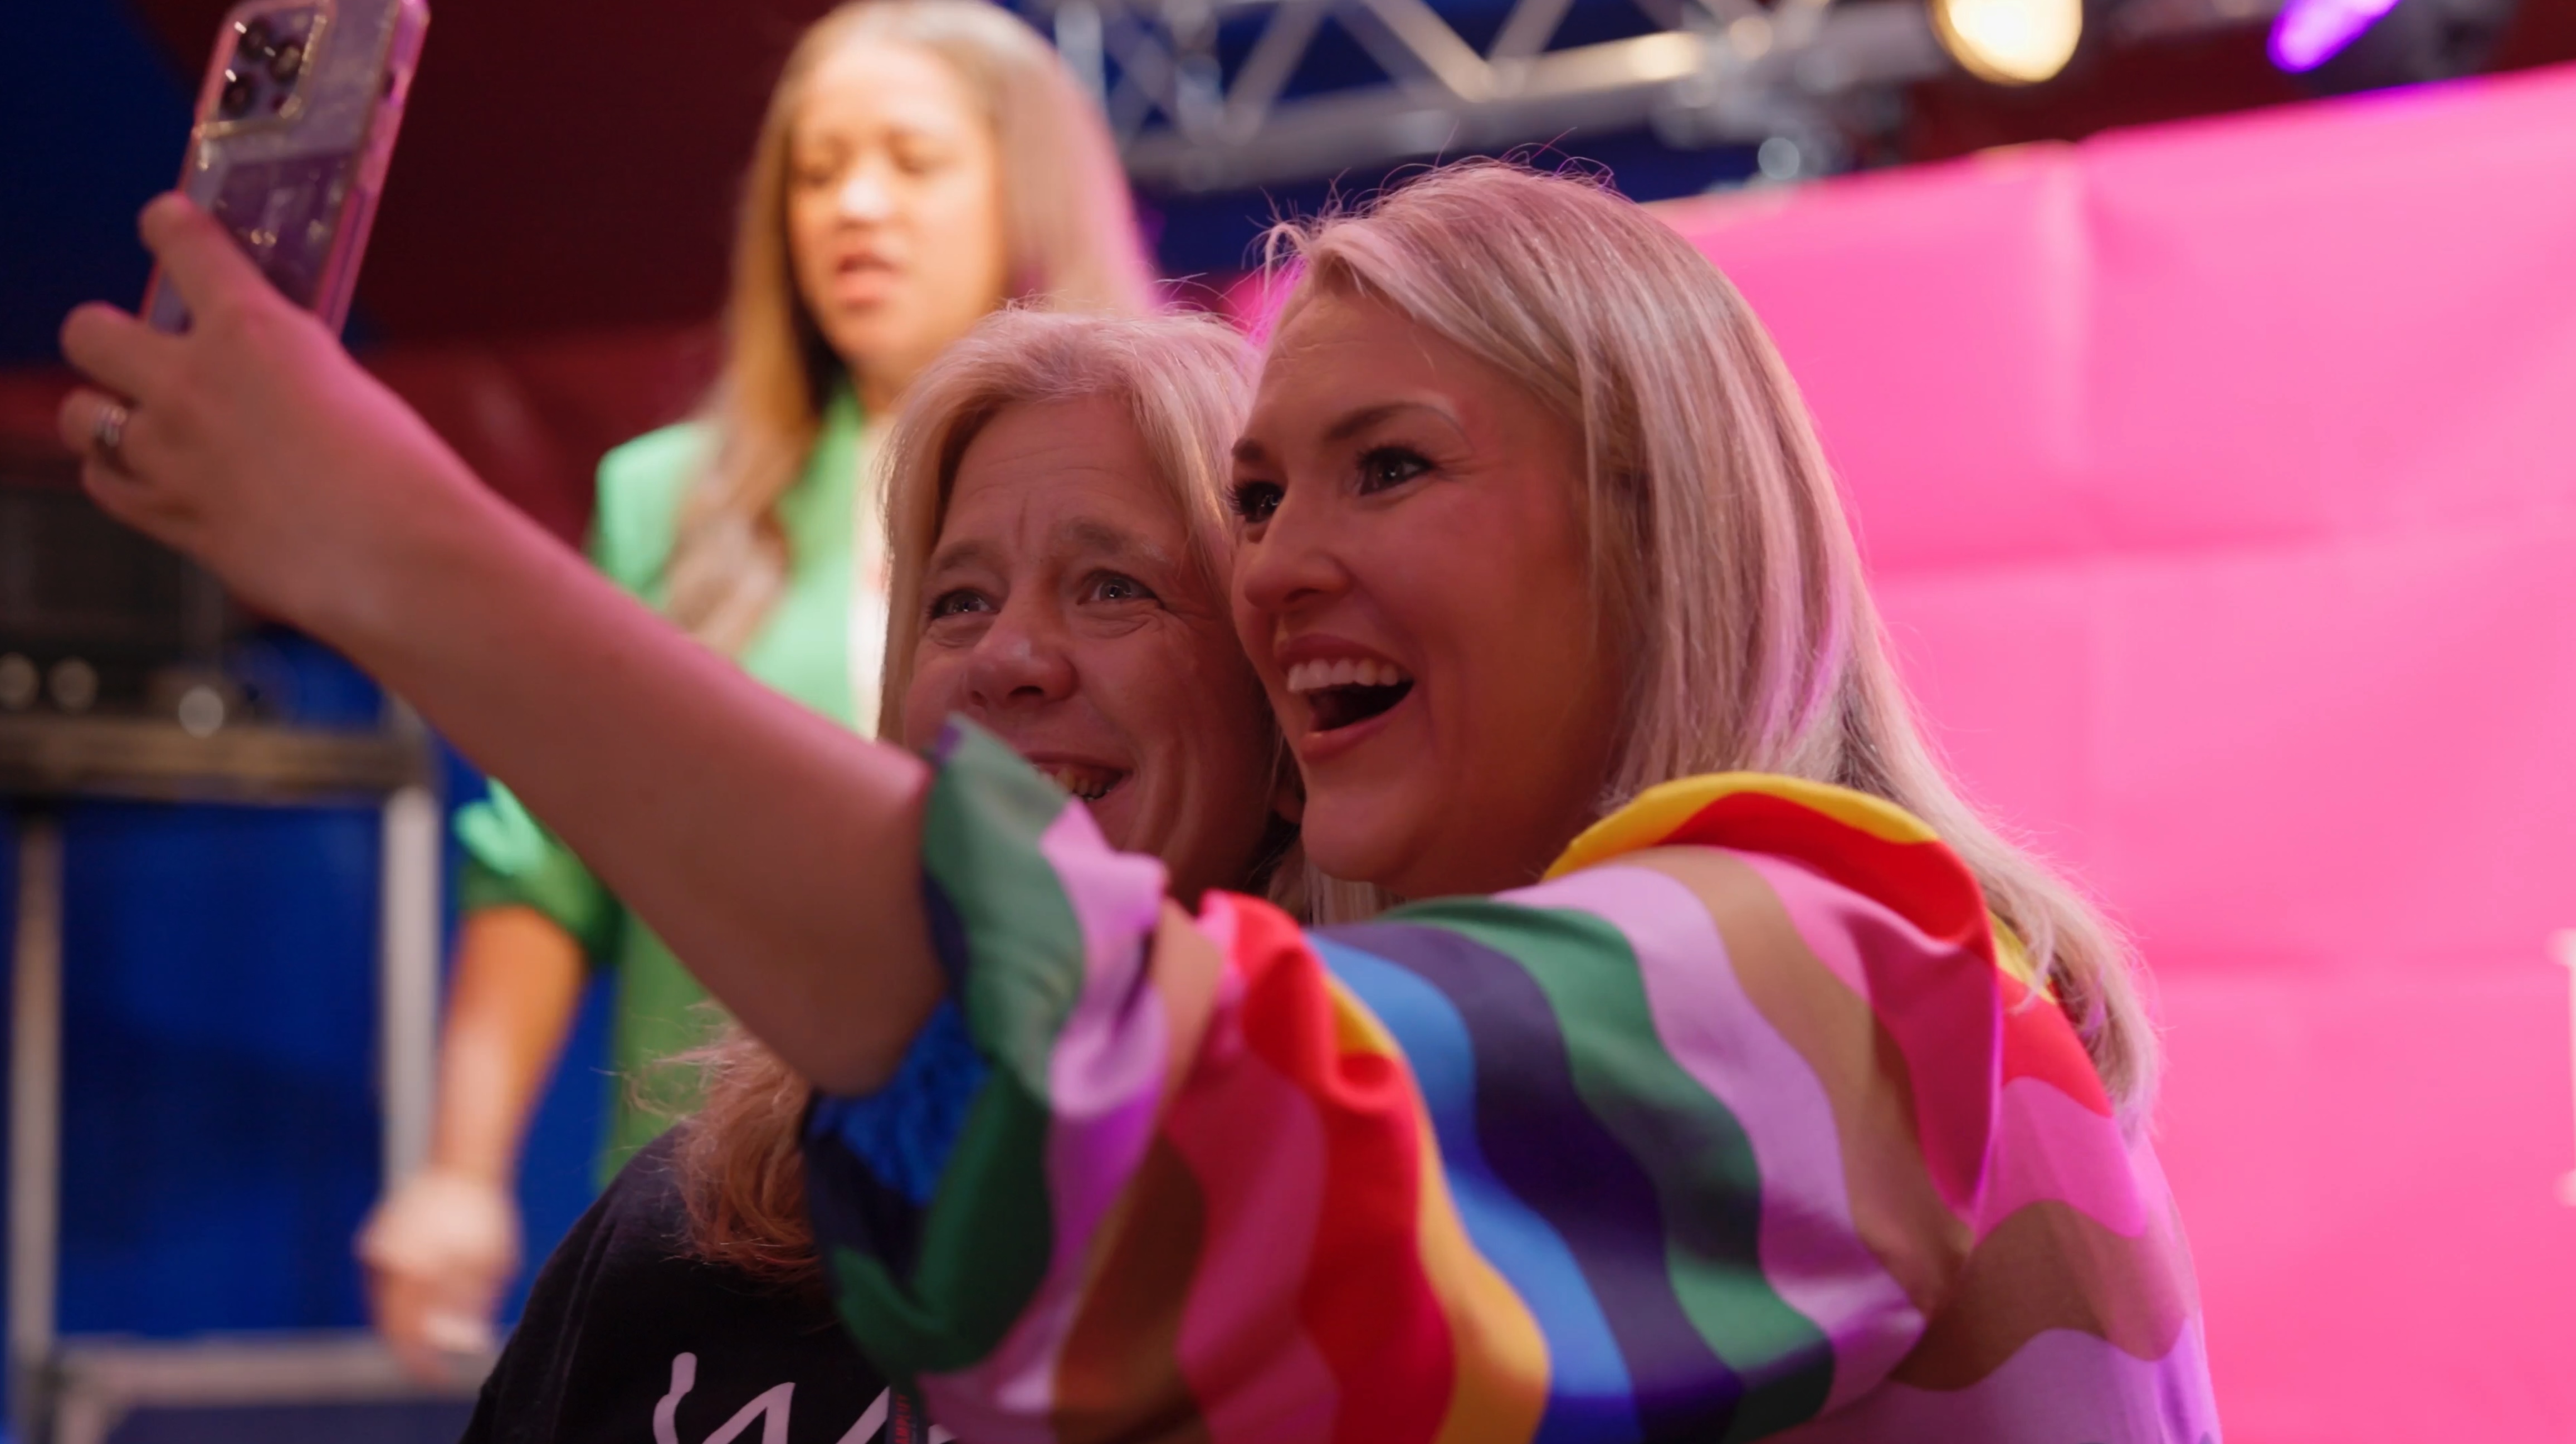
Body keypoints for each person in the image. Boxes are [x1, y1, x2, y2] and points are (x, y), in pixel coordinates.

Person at [57, 160, 2219, 1440]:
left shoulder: (1859, 978)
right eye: (1260, 494)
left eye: (1390, 467)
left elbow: (1097, 1107)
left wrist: (394, 555)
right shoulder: (692, 1242)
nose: (1283, 563)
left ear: (1657, 526)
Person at [354, 0, 1156, 1380]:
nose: (853, 205)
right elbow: (546, 860)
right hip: (732, 1225)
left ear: (1023, 189)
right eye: (814, 166)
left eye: (909, 160)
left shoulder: (1176, 480)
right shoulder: (664, 501)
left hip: (1071, 1203)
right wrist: (457, 1170)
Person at [465, 310, 1287, 1444]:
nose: (1005, 658)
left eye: (1112, 587)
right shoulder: (684, 1230)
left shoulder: (1390, 1254)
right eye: (958, 602)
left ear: (1283, 694)